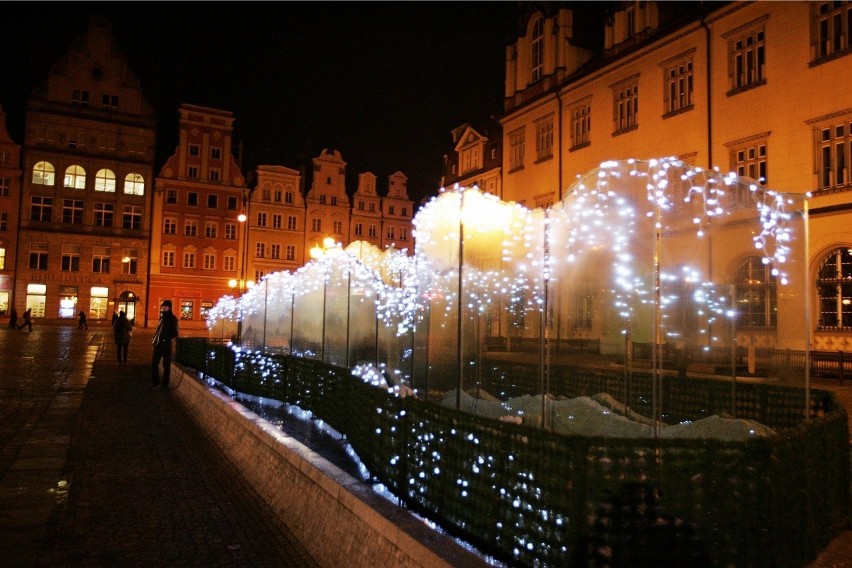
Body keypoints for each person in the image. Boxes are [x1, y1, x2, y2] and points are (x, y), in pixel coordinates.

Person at [151, 300, 179, 390]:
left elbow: (175, 333)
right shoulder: (162, 317)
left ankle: (164, 385)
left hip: (166, 345)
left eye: (165, 306)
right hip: (158, 345)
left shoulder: (172, 318)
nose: (163, 307)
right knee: (154, 363)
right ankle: (156, 383)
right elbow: (159, 330)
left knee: (166, 366)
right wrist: (155, 339)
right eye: (163, 306)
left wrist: (165, 339)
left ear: (169, 307)